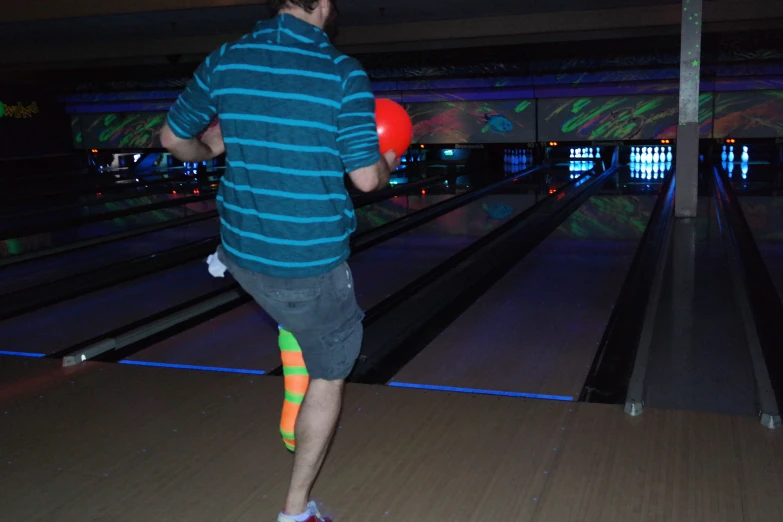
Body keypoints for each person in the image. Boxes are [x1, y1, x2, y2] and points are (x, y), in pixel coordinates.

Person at [159, 1, 399, 521]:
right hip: (307, 263)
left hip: (242, 251)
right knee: (331, 370)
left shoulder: (226, 58)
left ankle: (291, 336)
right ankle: (296, 511)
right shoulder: (341, 72)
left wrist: (211, 145)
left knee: (293, 309)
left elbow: (173, 140)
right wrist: (388, 164)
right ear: (327, 5)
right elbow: (364, 178)